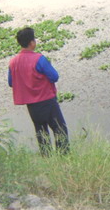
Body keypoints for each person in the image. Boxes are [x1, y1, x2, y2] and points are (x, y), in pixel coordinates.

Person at [8, 27, 69, 155]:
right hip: (47, 101)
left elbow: (11, 83)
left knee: (41, 133)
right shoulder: (38, 59)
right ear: (32, 43)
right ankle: (64, 160)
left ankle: (47, 160)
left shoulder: (13, 62)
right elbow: (54, 76)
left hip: (32, 105)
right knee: (60, 130)